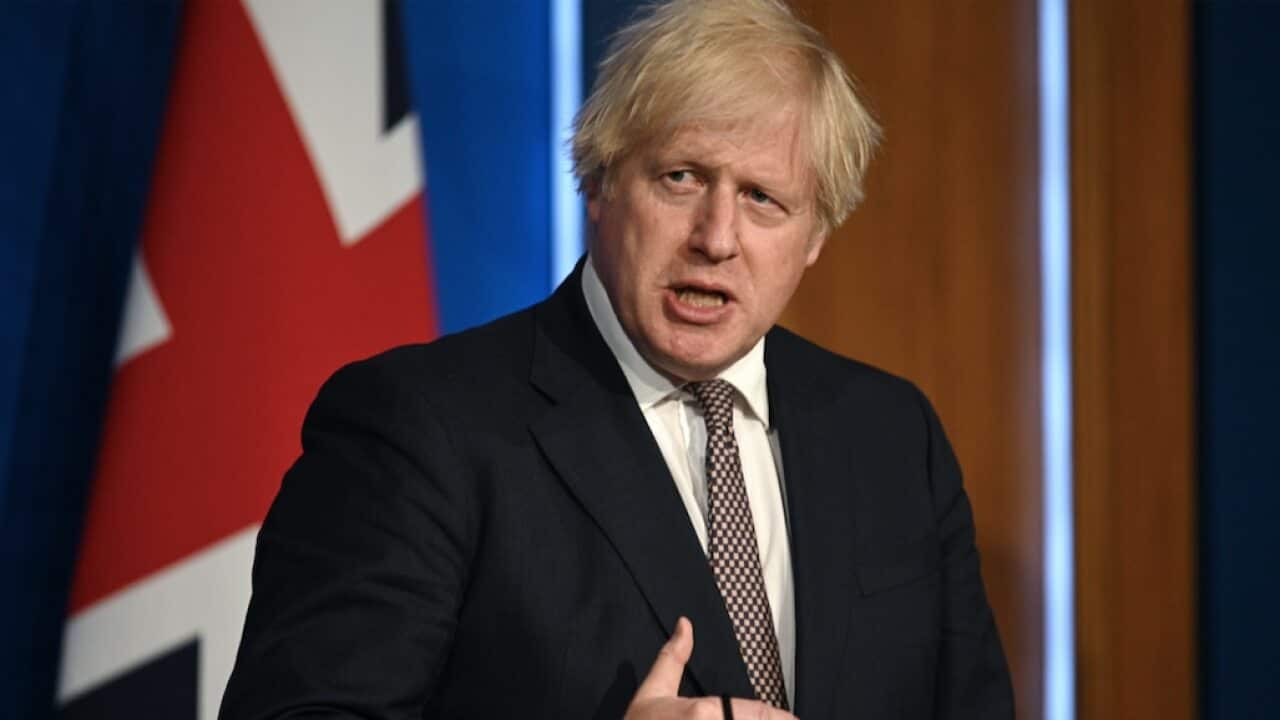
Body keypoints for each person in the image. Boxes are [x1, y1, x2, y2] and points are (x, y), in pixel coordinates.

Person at [220, 0, 1014, 717]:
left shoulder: (891, 436)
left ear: (814, 237)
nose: (717, 238)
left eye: (762, 198)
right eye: (682, 177)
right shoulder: (422, 428)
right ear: (599, 184)